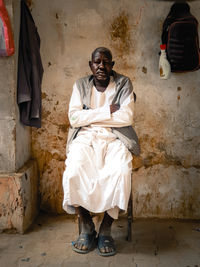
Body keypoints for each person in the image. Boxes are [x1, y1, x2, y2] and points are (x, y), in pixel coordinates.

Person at [62, 47, 138, 256]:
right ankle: (87, 226)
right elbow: (74, 119)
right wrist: (107, 111)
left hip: (116, 137)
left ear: (112, 66)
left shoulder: (124, 83)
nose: (101, 66)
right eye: (97, 62)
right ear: (91, 65)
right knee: (73, 171)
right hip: (85, 137)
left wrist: (89, 114)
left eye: (106, 62)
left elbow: (126, 118)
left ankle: (106, 229)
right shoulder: (80, 85)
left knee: (121, 171)